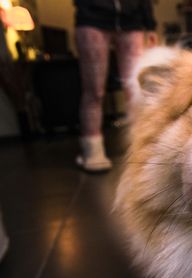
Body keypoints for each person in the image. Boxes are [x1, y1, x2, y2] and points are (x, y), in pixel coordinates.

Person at [74, 0, 158, 172]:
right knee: (94, 91)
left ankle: (140, 149)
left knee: (136, 91)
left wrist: (149, 24)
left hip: (132, 21)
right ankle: (93, 150)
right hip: (92, 18)